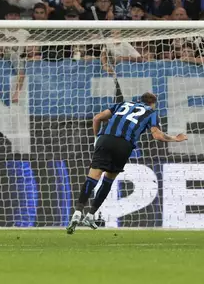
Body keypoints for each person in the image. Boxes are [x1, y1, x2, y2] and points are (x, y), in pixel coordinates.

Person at [66, 92, 188, 234]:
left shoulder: (122, 104)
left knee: (93, 177)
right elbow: (157, 135)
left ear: (139, 100)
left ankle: (78, 212)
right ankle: (91, 214)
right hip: (124, 145)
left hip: (105, 139)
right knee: (108, 180)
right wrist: (175, 138)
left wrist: (96, 138)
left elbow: (97, 118)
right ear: (152, 103)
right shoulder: (150, 112)